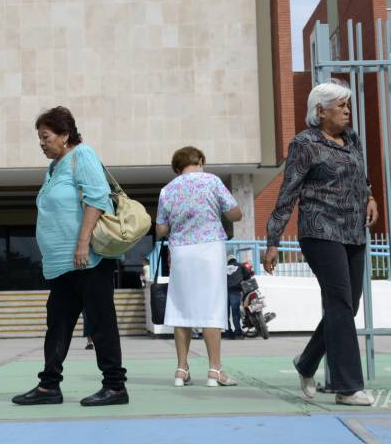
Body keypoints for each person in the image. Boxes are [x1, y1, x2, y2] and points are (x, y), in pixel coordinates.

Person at [262, 80, 379, 407]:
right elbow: (288, 193)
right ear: (320, 111)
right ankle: (347, 386)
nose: (347, 111)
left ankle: (306, 361)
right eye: (341, 106)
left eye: (347, 105)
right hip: (320, 231)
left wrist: (369, 195)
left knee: (349, 305)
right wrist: (273, 241)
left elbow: (359, 174)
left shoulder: (351, 139)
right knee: (340, 302)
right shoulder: (304, 144)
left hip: (353, 231)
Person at [12, 106, 128, 407]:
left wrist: (82, 242)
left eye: (46, 136)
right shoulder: (53, 168)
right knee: (58, 324)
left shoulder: (82, 155)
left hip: (88, 259)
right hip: (62, 265)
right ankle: (49, 386)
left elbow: (97, 199)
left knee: (101, 323)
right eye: (39, 137)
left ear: (65, 135)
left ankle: (115, 387)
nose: (41, 142)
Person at [155, 146, 243, 387]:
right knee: (211, 308)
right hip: (210, 248)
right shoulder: (212, 182)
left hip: (181, 251)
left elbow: (161, 229)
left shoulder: (168, 190)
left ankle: (181, 369)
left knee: (181, 309)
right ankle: (215, 370)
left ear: (177, 168)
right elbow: (236, 214)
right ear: (201, 160)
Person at [223, 255, 250, 339]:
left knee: (225, 314)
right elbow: (247, 276)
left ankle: (228, 333)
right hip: (235, 291)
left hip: (224, 292)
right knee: (235, 313)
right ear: (235, 259)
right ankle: (238, 333)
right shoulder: (240, 265)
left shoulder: (223, 268)